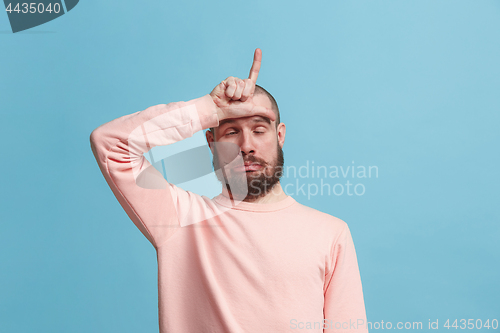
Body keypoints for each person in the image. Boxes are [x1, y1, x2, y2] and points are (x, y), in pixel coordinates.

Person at [89, 48, 368, 333]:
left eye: (259, 130)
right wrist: (209, 109)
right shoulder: (181, 220)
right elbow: (110, 145)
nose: (246, 146)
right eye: (232, 132)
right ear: (211, 142)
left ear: (280, 135)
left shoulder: (331, 233)